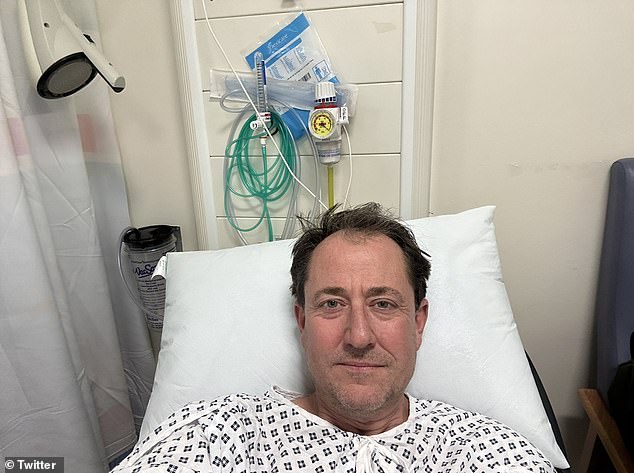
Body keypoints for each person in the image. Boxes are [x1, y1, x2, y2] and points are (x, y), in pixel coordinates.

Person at [112, 203, 556, 473]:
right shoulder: (219, 435)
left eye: (384, 304)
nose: (359, 336)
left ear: (418, 323)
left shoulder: (482, 450)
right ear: (302, 323)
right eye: (331, 304)